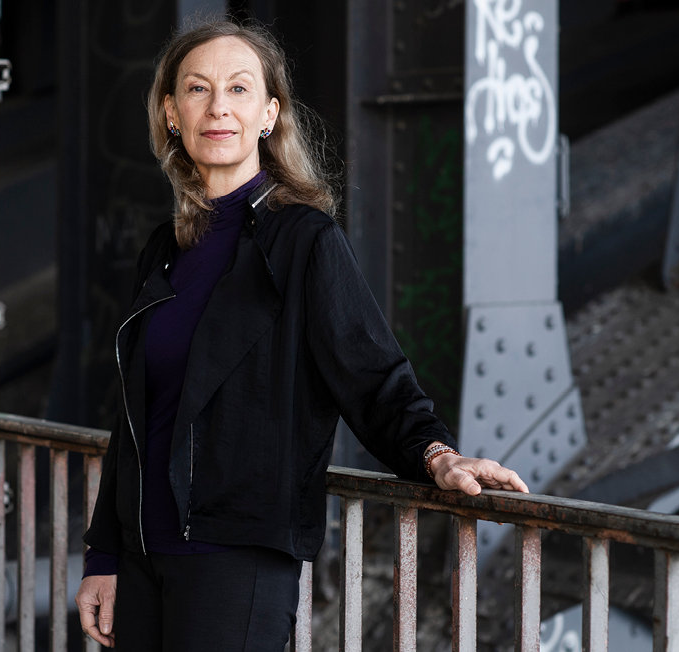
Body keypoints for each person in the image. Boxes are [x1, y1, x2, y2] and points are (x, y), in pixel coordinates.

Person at [75, 18, 529, 651]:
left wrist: (438, 457)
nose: (218, 107)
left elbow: (375, 377)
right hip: (144, 557)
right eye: (198, 89)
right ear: (171, 112)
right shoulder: (165, 249)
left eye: (239, 89)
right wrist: (104, 555)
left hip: (236, 555)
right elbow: (135, 420)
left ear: (269, 114)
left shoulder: (305, 242)